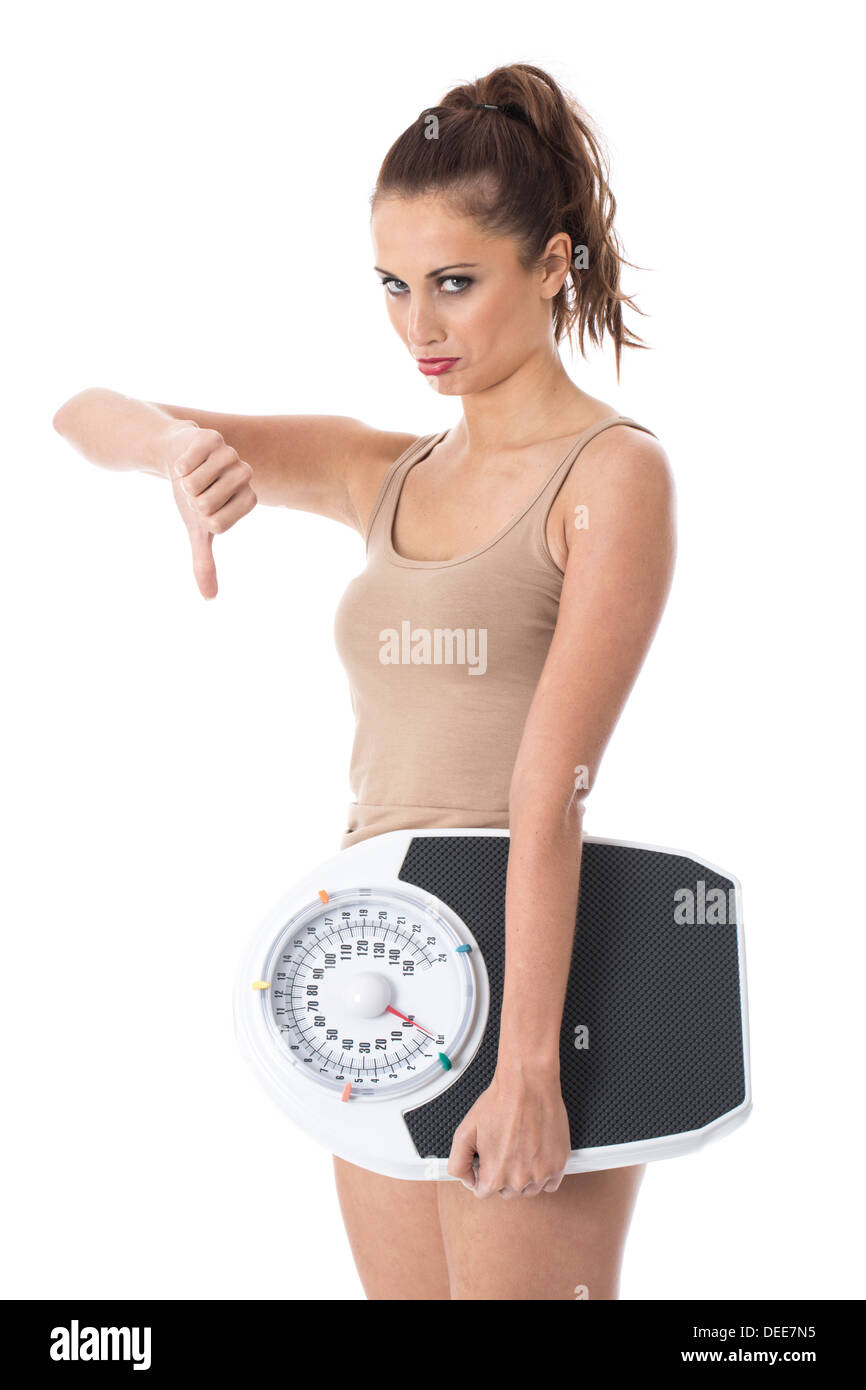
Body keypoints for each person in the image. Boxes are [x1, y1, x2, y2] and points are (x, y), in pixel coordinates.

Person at [52, 61, 676, 1300]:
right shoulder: (377, 471)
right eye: (392, 286)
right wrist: (180, 451)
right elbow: (81, 411)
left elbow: (547, 791)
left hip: (537, 969)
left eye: (454, 283)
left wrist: (530, 1067)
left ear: (552, 265)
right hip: (376, 961)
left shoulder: (612, 477)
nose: (417, 327)